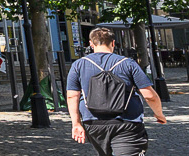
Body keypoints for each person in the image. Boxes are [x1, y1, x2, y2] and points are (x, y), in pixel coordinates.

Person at [66, 27, 166, 156]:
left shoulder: (78, 65)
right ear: (113, 43)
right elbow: (149, 95)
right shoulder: (128, 63)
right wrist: (159, 114)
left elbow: (72, 96)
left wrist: (76, 123)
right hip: (127, 122)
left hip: (94, 123)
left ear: (91, 44)